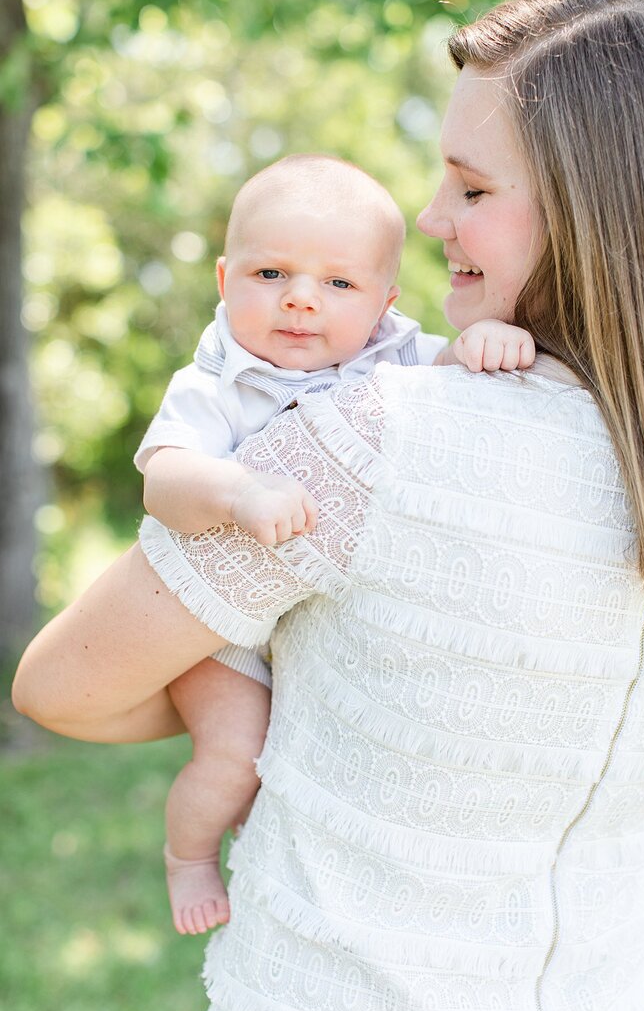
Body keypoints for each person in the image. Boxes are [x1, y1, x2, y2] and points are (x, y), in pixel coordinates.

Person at [13, 0, 644, 1011]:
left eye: (471, 189)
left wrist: (277, 674)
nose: (431, 220)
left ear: (594, 207)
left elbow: (64, 686)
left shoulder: (376, 432)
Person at [134, 152, 536, 936]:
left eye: (339, 284)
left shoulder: (393, 354)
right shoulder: (218, 376)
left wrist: (481, 340)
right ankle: (187, 857)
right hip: (219, 629)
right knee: (232, 750)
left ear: (385, 302)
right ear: (225, 280)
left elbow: (449, 374)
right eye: (271, 274)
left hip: (319, 626)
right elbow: (165, 479)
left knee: (309, 754)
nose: (301, 302)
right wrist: (240, 491)